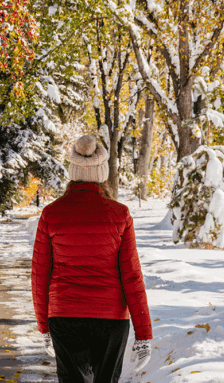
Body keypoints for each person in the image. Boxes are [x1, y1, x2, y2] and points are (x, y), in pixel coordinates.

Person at [31, 135, 153, 383]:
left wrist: (44, 325)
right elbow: (131, 275)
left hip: (65, 315)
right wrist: (143, 335)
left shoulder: (51, 213)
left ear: (73, 172)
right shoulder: (119, 214)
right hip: (111, 318)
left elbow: (40, 274)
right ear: (102, 173)